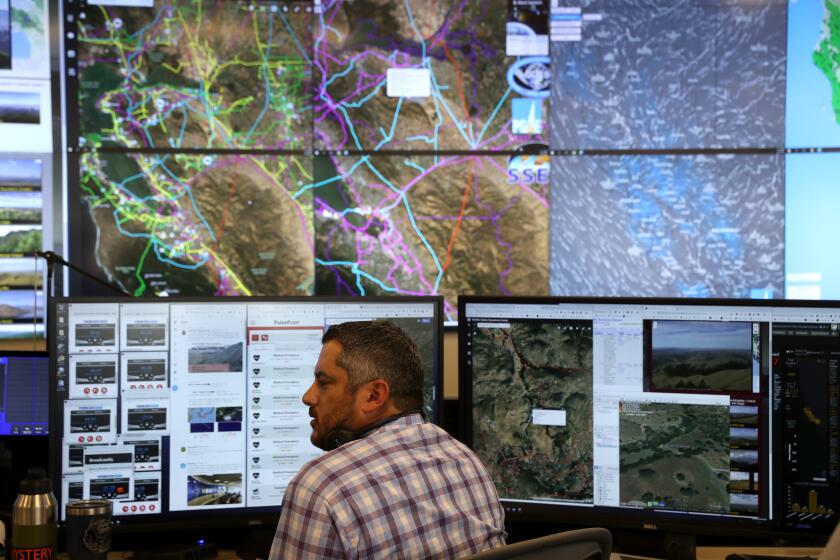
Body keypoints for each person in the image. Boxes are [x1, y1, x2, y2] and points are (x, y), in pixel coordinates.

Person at [268, 320, 506, 559]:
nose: (308, 397)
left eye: (323, 382)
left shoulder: (321, 488)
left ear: (374, 395)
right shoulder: (467, 462)